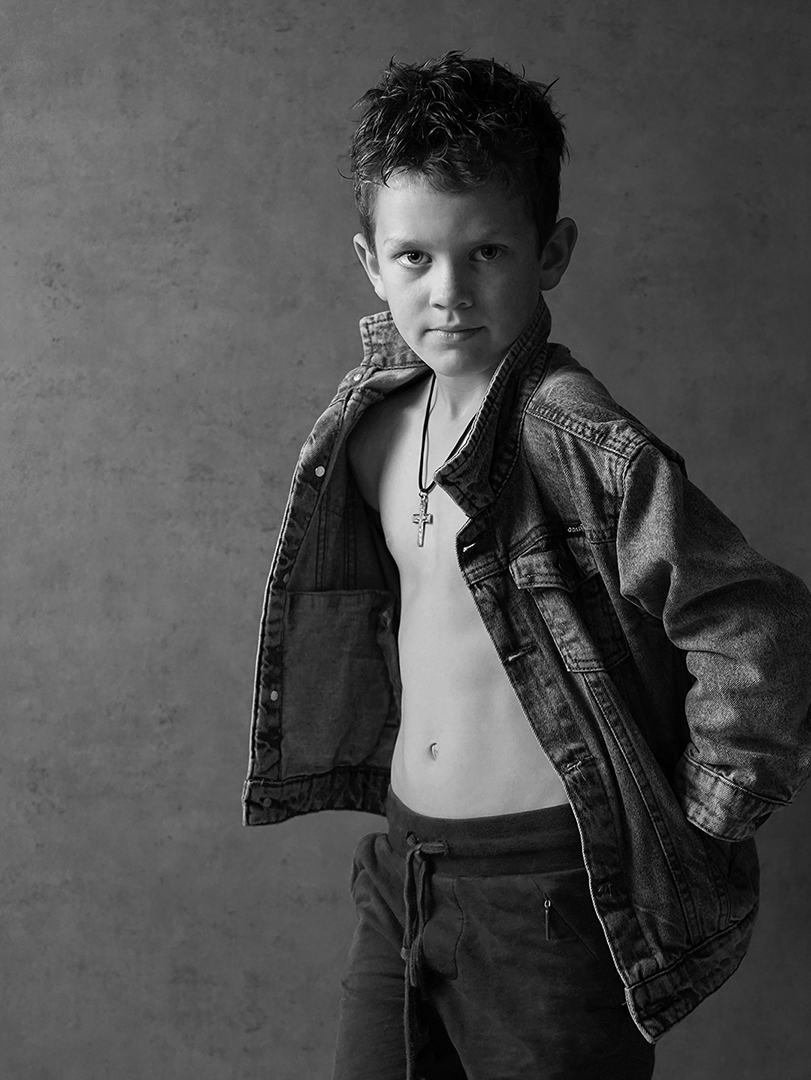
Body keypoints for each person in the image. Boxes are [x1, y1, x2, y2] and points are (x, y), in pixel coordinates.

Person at [242, 53, 811, 1079]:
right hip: (405, 868)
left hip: (547, 892)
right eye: (414, 257)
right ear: (369, 261)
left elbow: (753, 620)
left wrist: (704, 815)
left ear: (549, 254)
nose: (448, 292)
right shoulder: (368, 423)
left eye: (487, 252)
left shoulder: (570, 432)